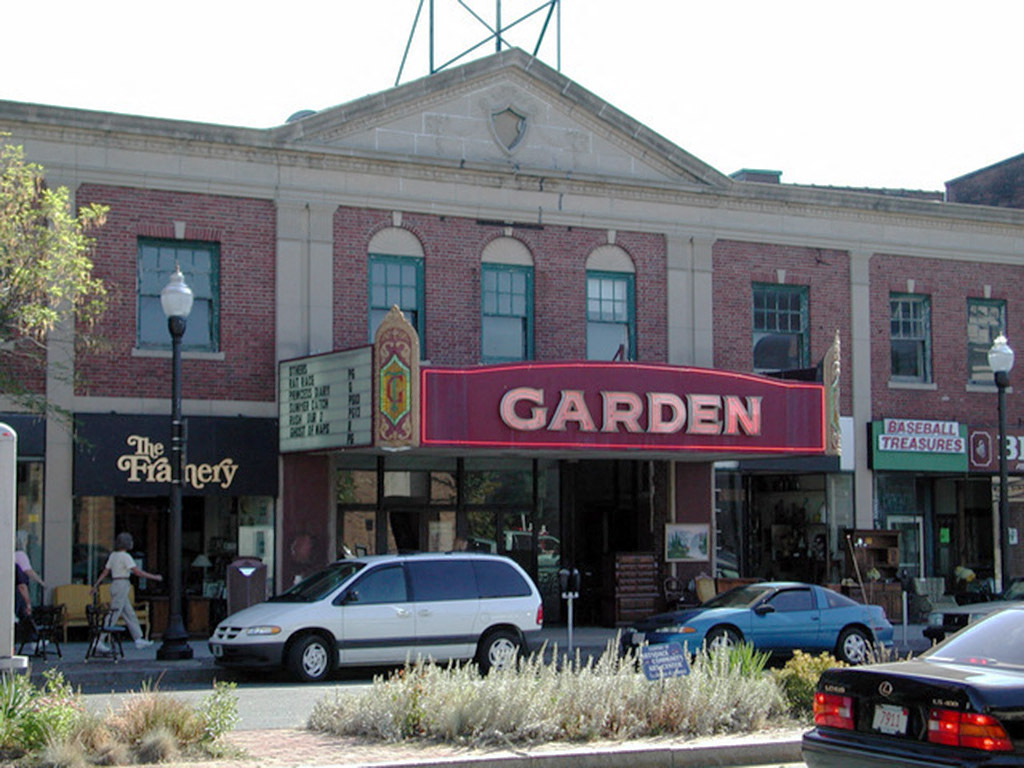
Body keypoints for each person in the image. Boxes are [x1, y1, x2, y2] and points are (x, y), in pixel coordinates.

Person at [90, 532, 163, 649]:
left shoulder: (113, 555)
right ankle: (98, 640)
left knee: (129, 613)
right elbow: (137, 572)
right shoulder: (126, 557)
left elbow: (105, 571)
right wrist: (154, 577)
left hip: (115, 583)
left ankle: (138, 638)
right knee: (114, 613)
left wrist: (96, 585)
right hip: (122, 584)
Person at [14, 563, 38, 645]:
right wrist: (28, 603)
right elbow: (22, 586)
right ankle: (34, 638)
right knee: (26, 615)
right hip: (15, 602)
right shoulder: (16, 568)